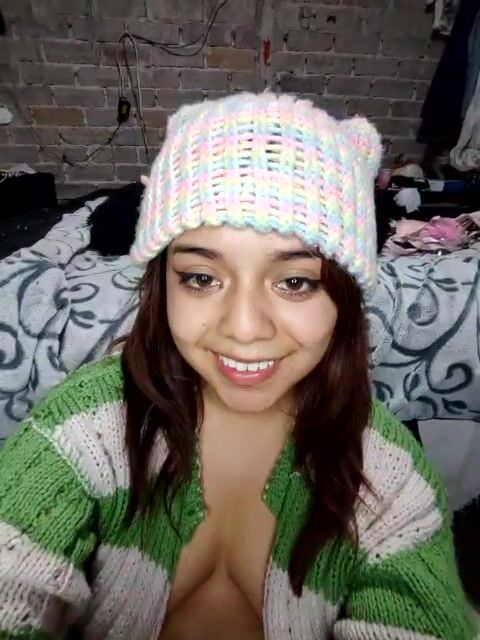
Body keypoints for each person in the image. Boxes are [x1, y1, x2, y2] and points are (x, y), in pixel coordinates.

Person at [0, 92, 475, 640]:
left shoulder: (389, 481)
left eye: (294, 282)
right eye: (202, 278)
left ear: (344, 299)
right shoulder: (84, 429)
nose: (244, 328)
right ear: (162, 285)